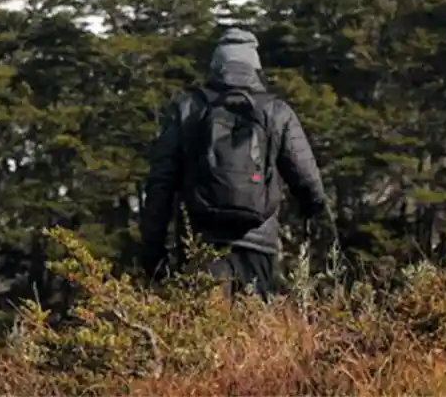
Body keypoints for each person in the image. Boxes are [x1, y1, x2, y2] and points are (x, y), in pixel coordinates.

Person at [140, 28, 328, 298]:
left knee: (203, 331)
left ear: (216, 65)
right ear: (256, 67)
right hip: (258, 243)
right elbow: (309, 183)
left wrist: (153, 254)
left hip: (201, 243)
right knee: (252, 332)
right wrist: (317, 230)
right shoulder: (277, 111)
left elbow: (160, 183)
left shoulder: (188, 107)